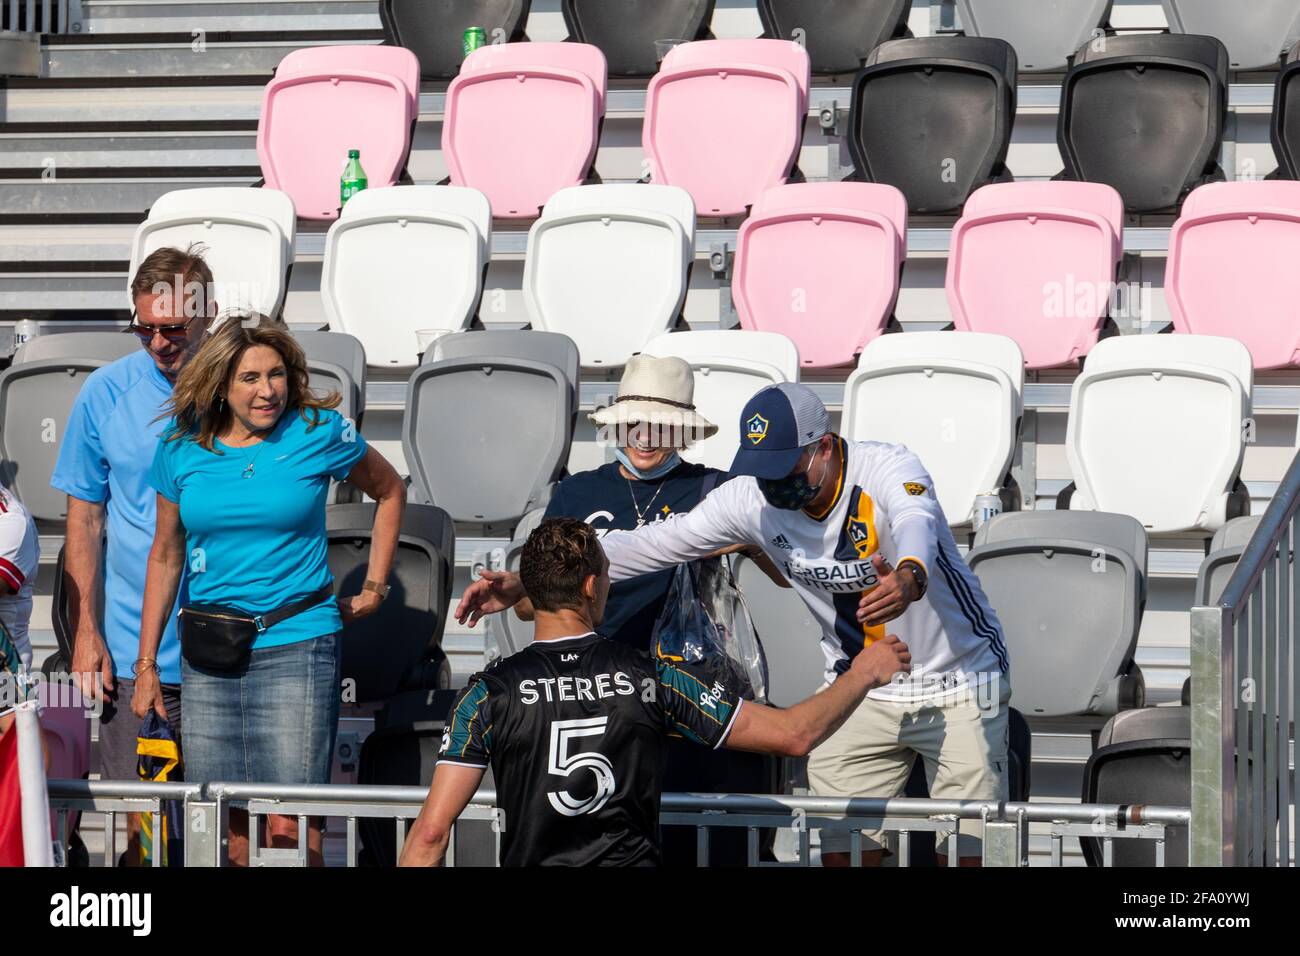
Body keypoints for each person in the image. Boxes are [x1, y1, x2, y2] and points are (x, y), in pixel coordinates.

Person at [458, 382, 1012, 866]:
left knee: (968, 848)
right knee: (842, 846)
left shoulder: (887, 465)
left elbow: (916, 517)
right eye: (762, 470)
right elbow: (644, 546)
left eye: (785, 470)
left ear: (822, 449)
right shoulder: (749, 498)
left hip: (958, 677)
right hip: (858, 680)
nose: (773, 487)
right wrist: (529, 584)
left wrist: (910, 577)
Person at [399, 518, 910, 867]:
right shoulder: (652, 677)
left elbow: (428, 834)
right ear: (592, 587)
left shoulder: (487, 693)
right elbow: (795, 735)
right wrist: (863, 671)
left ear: (532, 593)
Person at [135, 319, 406, 866]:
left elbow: (390, 489)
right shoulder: (180, 447)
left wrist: (375, 585)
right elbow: (165, 556)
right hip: (209, 654)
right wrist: (145, 665)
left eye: (277, 374)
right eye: (251, 377)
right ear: (219, 384)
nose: (268, 390)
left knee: (291, 819)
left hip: (298, 644)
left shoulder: (319, 430)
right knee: (222, 818)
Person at [525, 353, 787, 864]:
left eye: (663, 425)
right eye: (634, 421)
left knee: (690, 838)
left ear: (684, 430)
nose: (645, 436)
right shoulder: (577, 491)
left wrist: (747, 541)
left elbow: (784, 572)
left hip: (688, 693)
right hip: (596, 694)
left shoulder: (718, 489)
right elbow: (534, 603)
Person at [50, 244, 216, 863]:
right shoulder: (105, 392)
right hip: (132, 653)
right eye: (143, 328)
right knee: (145, 836)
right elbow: (84, 517)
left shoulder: (245, 388)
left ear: (209, 314)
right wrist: (85, 632)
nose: (158, 343)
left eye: (172, 329)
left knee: (224, 829)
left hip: (230, 650)